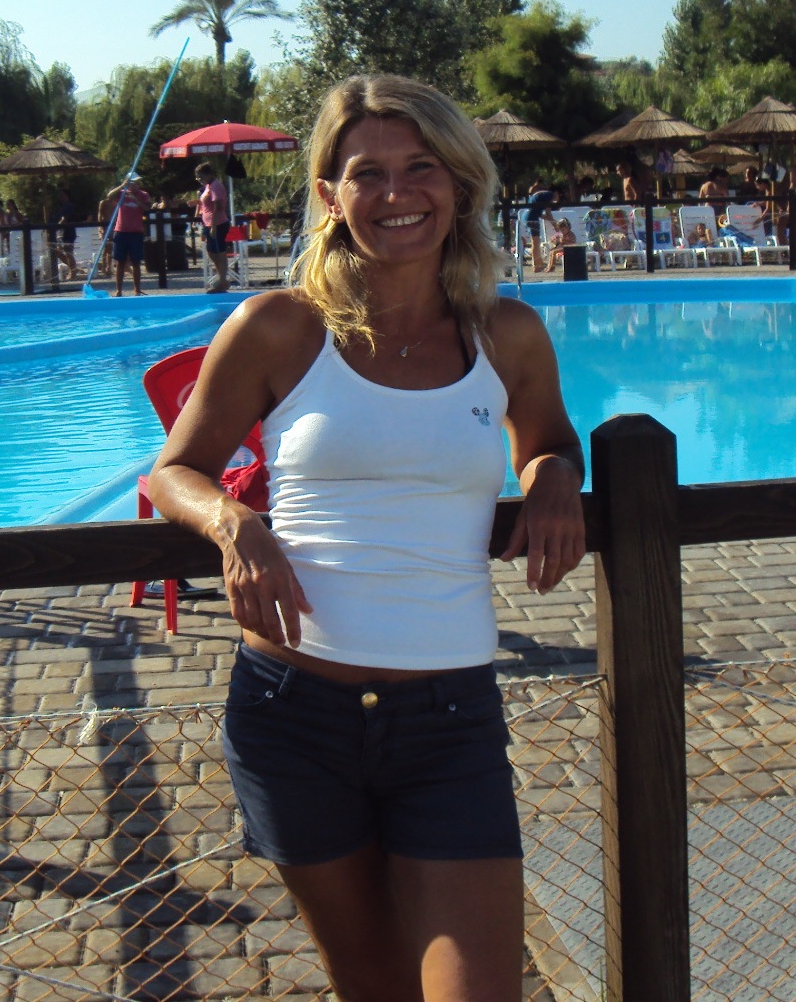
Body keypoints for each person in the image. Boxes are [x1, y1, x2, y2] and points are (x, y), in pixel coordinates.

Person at [146, 74, 584, 1002]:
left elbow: (548, 439)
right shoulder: (278, 328)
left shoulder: (505, 335)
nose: (396, 193)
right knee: (375, 987)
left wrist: (553, 480)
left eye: (420, 167)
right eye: (367, 173)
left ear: (458, 182)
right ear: (329, 195)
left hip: (449, 722)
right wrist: (235, 523)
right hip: (292, 715)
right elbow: (174, 471)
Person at [101, 176, 152, 295]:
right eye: (133, 182)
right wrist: (122, 185)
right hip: (121, 231)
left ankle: (137, 289)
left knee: (136, 262)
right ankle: (119, 290)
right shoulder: (122, 193)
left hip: (136, 232)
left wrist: (135, 199)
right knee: (120, 262)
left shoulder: (143, 194)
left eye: (137, 182)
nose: (136, 185)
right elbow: (109, 196)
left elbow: (147, 208)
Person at [196, 161, 232, 292]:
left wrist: (214, 226)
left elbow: (218, 207)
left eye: (201, 177)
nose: (199, 180)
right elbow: (207, 203)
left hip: (218, 223)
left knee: (219, 252)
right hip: (208, 223)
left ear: (208, 174)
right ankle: (222, 279)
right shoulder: (208, 186)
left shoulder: (216, 186)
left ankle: (222, 281)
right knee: (212, 252)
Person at [522, 179, 556, 272]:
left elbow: (540, 213)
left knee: (536, 241)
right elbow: (548, 213)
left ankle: (539, 263)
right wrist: (555, 225)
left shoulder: (540, 195)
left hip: (527, 216)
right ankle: (536, 265)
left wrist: (552, 221)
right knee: (535, 242)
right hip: (532, 218)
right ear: (556, 193)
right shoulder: (549, 195)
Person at [52, 191, 83, 281]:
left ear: (66, 196)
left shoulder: (68, 206)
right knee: (58, 252)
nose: (60, 197)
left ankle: (73, 273)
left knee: (68, 253)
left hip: (68, 232)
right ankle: (73, 268)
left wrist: (56, 226)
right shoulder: (62, 206)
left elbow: (64, 219)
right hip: (63, 233)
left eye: (62, 195)